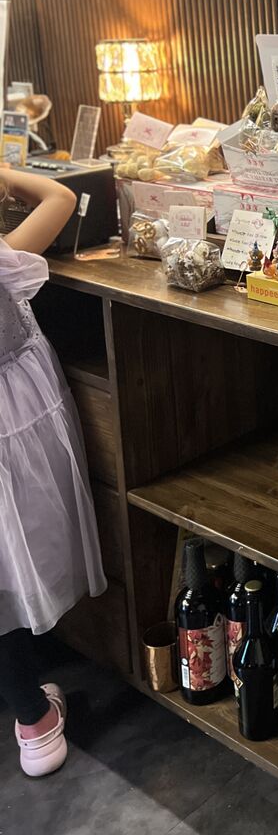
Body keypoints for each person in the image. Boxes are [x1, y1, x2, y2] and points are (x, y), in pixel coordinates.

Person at [0, 168, 106, 776]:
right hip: (11, 423)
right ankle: (33, 719)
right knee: (14, 557)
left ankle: (29, 705)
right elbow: (61, 197)